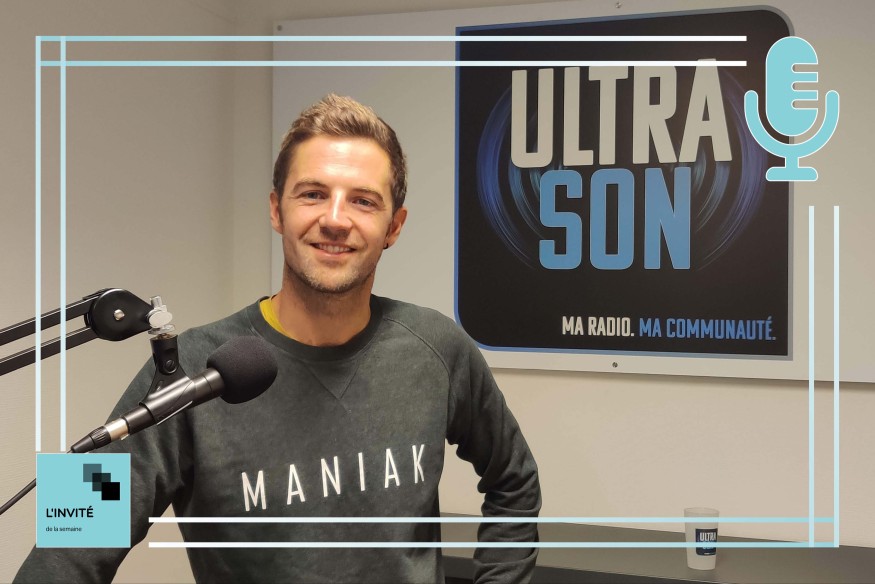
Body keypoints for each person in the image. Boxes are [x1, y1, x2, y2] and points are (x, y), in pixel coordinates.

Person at [15, 94, 541, 583]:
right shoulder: (189, 368)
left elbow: (514, 482)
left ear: (394, 226)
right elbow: (64, 547)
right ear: (276, 209)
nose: (335, 220)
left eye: (363, 201)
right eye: (313, 194)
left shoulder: (438, 346)